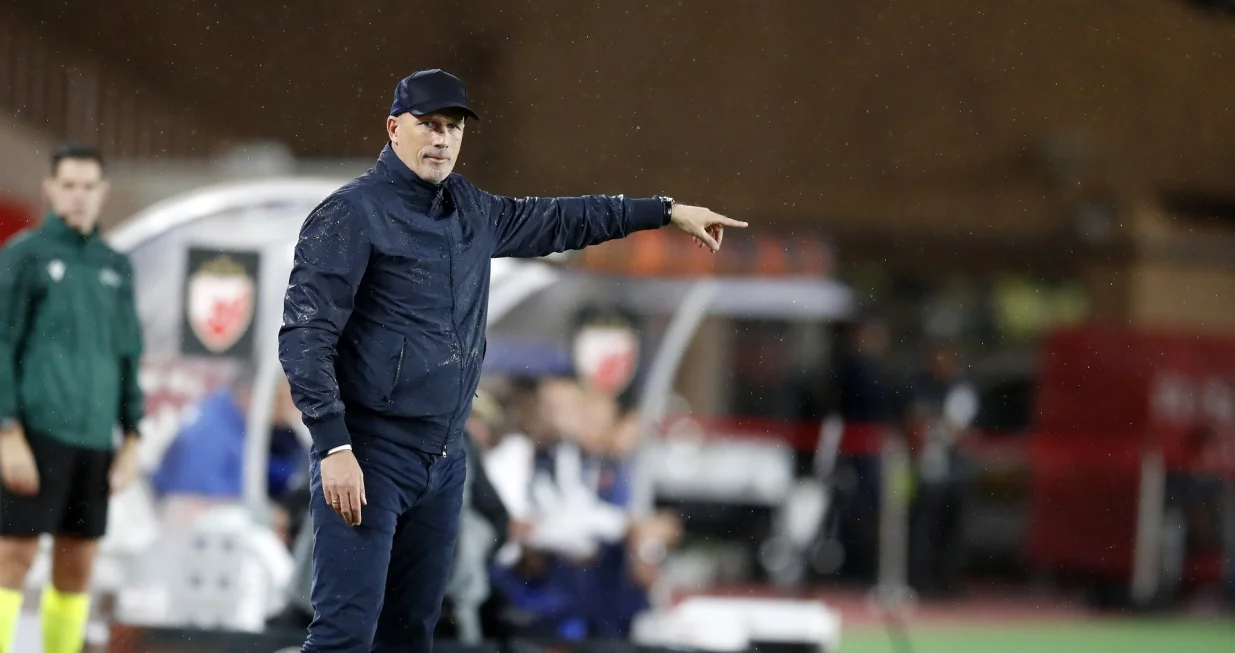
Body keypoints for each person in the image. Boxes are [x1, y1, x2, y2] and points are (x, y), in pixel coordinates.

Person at [279, 68, 746, 653]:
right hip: (369, 455)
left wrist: (663, 210)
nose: (443, 138)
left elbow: (562, 220)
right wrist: (333, 445)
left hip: (444, 461)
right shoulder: (350, 214)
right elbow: (304, 335)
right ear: (394, 128)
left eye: (453, 127)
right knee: (343, 638)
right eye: (429, 125)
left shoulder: (472, 211)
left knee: (411, 637)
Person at [0, 143, 144, 653]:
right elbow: (2, 343)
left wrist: (132, 437)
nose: (78, 196)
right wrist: (8, 431)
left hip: (93, 439)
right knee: (13, 556)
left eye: (88, 186)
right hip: (35, 433)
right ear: (50, 189)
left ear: (102, 193)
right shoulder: (24, 256)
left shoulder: (115, 267)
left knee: (78, 565)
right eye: (69, 185)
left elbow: (130, 354)